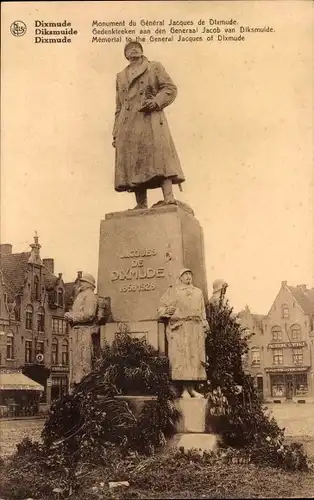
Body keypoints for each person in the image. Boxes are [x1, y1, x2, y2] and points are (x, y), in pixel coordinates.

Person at [112, 41, 185, 209]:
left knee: (160, 157)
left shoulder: (154, 67)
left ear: (142, 51)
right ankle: (141, 203)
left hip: (150, 119)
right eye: (129, 48)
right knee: (135, 162)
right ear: (126, 55)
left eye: (137, 47)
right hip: (128, 124)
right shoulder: (120, 76)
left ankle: (169, 198)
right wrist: (116, 132)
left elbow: (170, 88)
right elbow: (118, 106)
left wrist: (157, 101)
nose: (134, 49)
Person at [158, 269, 209, 398]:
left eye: (190, 274)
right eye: (185, 275)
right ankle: (184, 390)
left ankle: (192, 389)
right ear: (180, 278)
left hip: (195, 328)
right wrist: (166, 311)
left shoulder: (198, 292)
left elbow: (202, 310)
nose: (188, 277)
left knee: (194, 358)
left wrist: (205, 323)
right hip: (181, 328)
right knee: (183, 358)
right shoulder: (173, 291)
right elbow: (161, 308)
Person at [64, 273, 98, 390]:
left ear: (89, 284)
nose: (81, 283)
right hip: (76, 331)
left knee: (84, 359)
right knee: (77, 360)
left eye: (83, 281)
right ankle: (77, 384)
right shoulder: (81, 295)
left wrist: (72, 316)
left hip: (84, 331)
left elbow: (89, 314)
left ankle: (84, 384)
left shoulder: (90, 296)